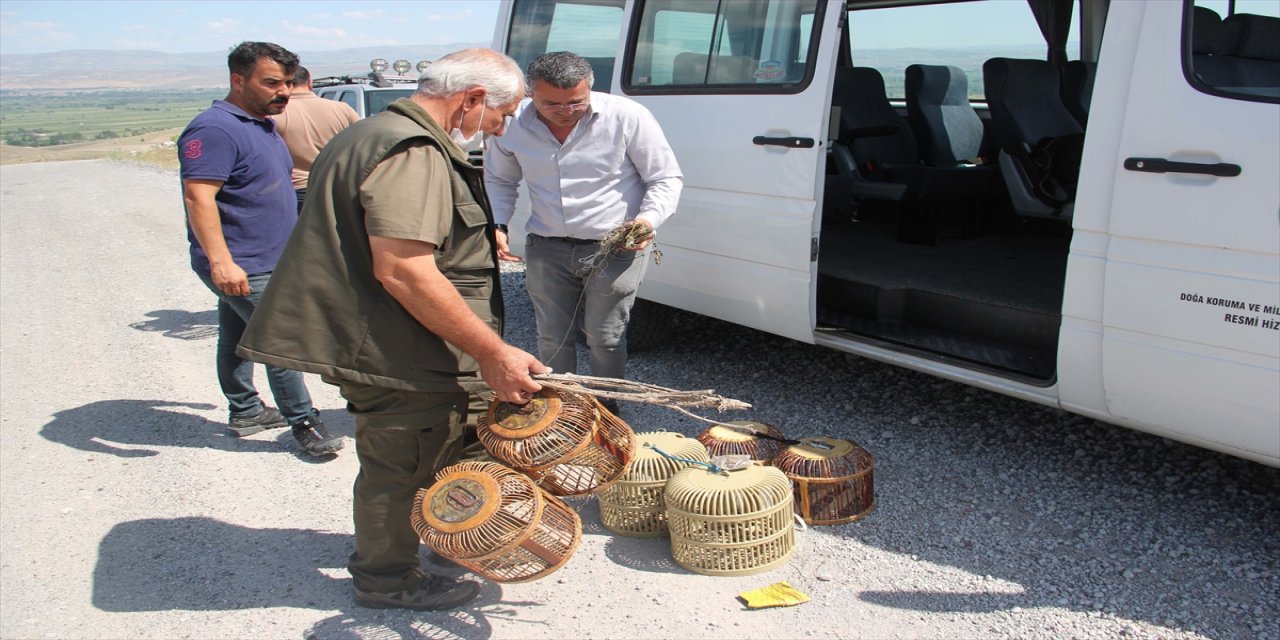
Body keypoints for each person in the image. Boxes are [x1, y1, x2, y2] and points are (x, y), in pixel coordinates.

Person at [237, 48, 546, 611]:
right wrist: (493, 352)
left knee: (439, 447)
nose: (500, 129)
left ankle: (439, 539)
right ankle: (387, 579)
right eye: (501, 115)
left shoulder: (371, 132)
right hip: (397, 348)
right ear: (472, 99)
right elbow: (404, 269)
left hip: (399, 338)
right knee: (402, 464)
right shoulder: (414, 150)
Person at [484, 51, 682, 412]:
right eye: (551, 104)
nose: (565, 111)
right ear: (531, 93)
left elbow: (665, 177)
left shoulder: (627, 116)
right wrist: (497, 223)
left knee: (606, 338)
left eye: (576, 102)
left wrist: (647, 220)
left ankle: (607, 412)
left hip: (614, 249)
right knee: (552, 338)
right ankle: (563, 412)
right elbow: (499, 179)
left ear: (590, 88)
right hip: (547, 245)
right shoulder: (512, 124)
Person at [178, 41, 344, 458]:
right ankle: (305, 423)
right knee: (280, 340)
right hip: (242, 262)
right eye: (271, 83)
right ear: (238, 80)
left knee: (237, 334)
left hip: (267, 257)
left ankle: (246, 410)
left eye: (287, 82)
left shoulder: (263, 124)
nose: (283, 91)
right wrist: (221, 262)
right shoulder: (214, 129)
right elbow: (198, 197)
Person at [271, 66, 359, 213]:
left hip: (296, 189)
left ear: (286, 84)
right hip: (336, 188)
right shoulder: (343, 109)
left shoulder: (276, 113)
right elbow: (362, 143)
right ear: (309, 82)